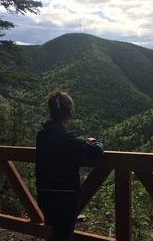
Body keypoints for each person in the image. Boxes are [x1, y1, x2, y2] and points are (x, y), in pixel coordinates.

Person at [36, 91, 103, 241]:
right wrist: (93, 141)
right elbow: (96, 152)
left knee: (57, 233)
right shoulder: (68, 140)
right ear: (69, 113)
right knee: (63, 236)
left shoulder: (41, 136)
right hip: (65, 198)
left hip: (44, 194)